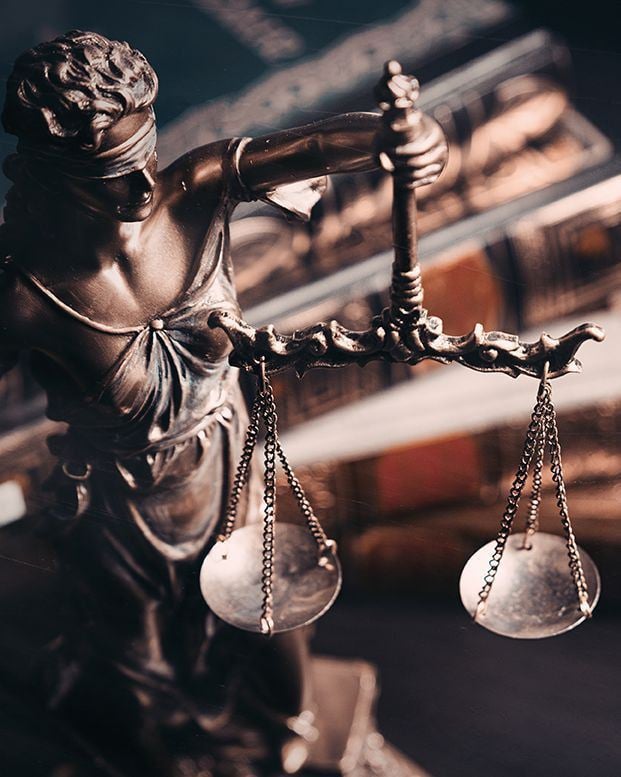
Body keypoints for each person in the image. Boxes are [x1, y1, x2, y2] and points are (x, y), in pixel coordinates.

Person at [0, 30, 445, 776]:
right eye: (111, 173)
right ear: (47, 170)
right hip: (121, 512)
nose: (142, 186)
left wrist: (399, 139)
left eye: (144, 153)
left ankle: (284, 735)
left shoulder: (194, 191)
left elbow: (312, 147)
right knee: (137, 673)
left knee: (273, 635)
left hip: (231, 471)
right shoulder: (26, 293)